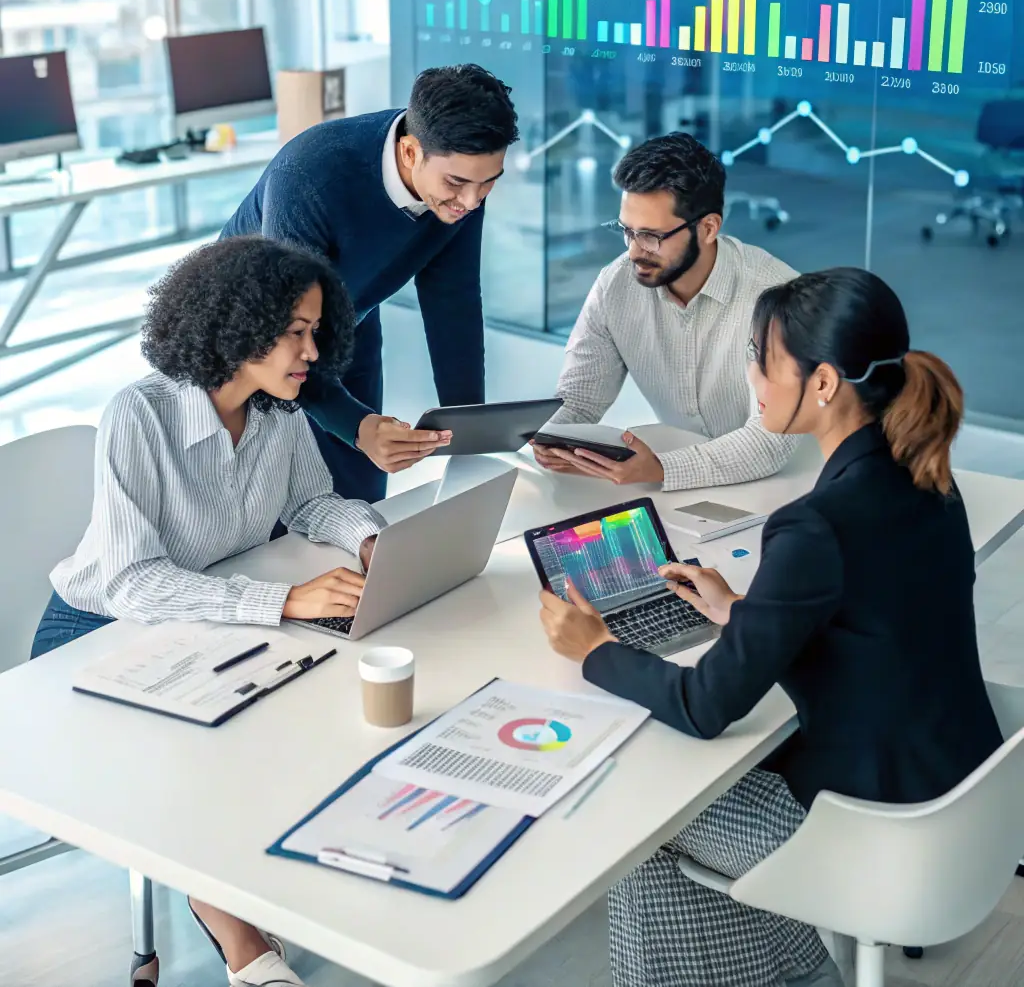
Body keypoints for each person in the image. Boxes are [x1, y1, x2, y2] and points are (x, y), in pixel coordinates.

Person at [539, 266, 1003, 987]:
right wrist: (738, 611)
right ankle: (792, 971)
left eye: (761, 356)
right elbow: (878, 619)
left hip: (877, 837)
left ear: (822, 383)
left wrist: (596, 649)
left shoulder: (816, 524)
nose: (749, 373)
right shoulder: (927, 477)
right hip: (962, 805)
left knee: (642, 811)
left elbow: (704, 707)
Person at [33, 236, 389, 987]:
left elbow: (312, 500)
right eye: (294, 330)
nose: (311, 350)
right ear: (238, 326)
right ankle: (243, 942)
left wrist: (370, 540)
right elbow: (132, 582)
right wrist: (283, 598)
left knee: (302, 700)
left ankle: (267, 878)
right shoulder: (141, 413)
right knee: (204, 747)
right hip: (98, 628)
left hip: (206, 615)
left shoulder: (279, 412)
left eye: (316, 330)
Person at [221, 63, 519, 502]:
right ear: (411, 151)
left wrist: (467, 428)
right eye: (456, 183)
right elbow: (284, 329)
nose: (471, 202)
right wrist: (357, 429)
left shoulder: (461, 191)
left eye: (488, 183)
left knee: (359, 500)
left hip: (348, 322)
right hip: (258, 338)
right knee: (275, 507)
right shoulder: (311, 175)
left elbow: (452, 301)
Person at [532, 132, 797, 491]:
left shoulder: (773, 295)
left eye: (651, 236)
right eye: (627, 231)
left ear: (708, 228)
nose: (634, 251)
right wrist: (551, 439)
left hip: (787, 483)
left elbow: (770, 441)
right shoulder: (616, 285)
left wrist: (660, 468)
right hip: (685, 485)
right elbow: (580, 399)